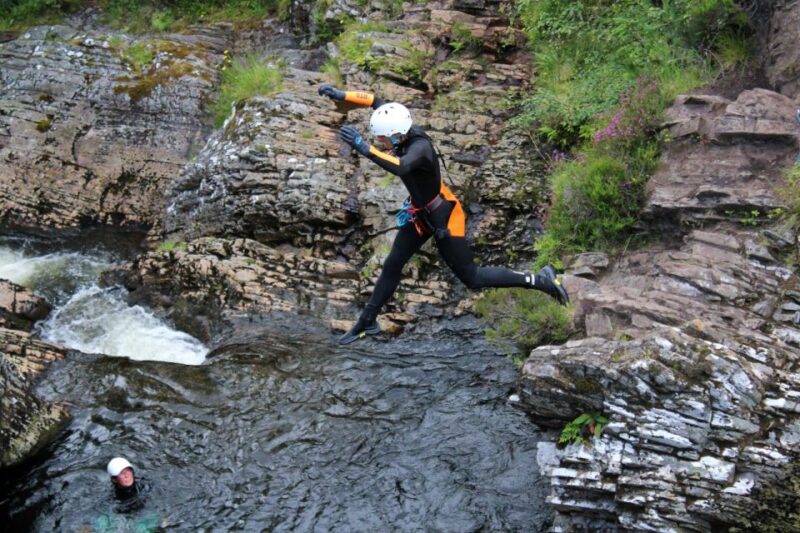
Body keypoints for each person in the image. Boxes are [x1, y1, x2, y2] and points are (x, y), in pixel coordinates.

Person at [318, 84, 569, 345]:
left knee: (473, 277)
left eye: (381, 140)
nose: (379, 143)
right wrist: (342, 95)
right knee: (393, 264)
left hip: (445, 217)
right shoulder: (398, 124)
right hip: (420, 214)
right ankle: (366, 322)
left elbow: (402, 167)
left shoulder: (420, 148)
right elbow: (376, 100)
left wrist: (364, 148)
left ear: (395, 136)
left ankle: (541, 281)